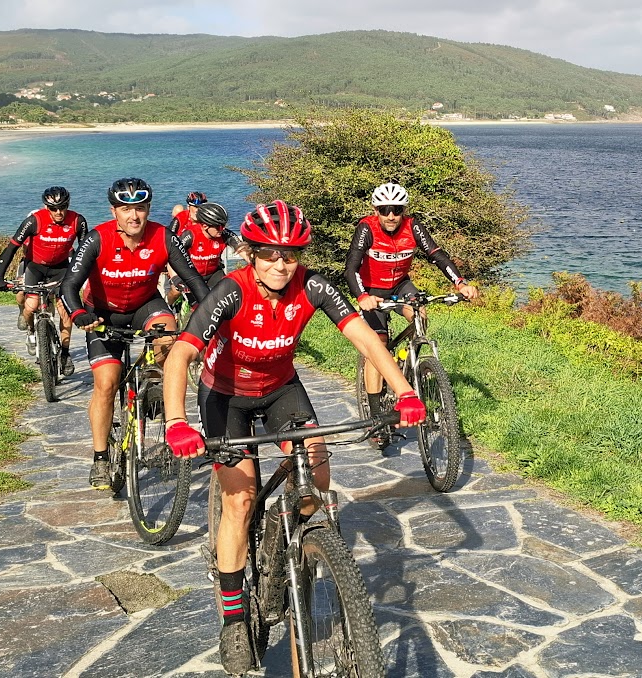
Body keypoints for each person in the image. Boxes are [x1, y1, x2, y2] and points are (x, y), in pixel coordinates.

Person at [159, 200, 424, 675]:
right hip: (225, 398)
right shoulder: (229, 290)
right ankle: (235, 620)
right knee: (239, 502)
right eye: (269, 253)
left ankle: (306, 541)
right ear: (250, 253)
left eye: (291, 254)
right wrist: (176, 421)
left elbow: (366, 339)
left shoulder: (315, 286)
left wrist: (404, 392)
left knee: (316, 468)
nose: (280, 264)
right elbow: (179, 355)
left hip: (281, 388)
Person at [59, 178, 212, 490]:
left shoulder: (163, 236)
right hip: (102, 314)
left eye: (140, 208)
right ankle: (101, 457)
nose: (134, 216)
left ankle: (156, 385)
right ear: (114, 211)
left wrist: (207, 315)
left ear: (148, 209)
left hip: (145, 306)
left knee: (170, 339)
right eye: (126, 209)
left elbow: (194, 279)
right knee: (106, 383)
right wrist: (79, 314)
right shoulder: (97, 238)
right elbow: (69, 285)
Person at [344, 182, 478, 427]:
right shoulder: (367, 228)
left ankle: (409, 363)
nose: (391, 215)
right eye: (385, 210)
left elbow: (437, 255)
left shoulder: (413, 226)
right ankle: (377, 418)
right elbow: (351, 267)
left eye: (397, 209)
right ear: (376, 210)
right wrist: (362, 296)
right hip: (373, 291)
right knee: (378, 346)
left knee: (420, 315)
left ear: (403, 210)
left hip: (400, 285)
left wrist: (460, 283)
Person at [0, 186, 85, 371]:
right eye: (53, 208)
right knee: (31, 306)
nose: (59, 212)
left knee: (65, 311)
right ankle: (32, 331)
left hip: (61, 269)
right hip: (35, 267)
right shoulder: (34, 221)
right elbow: (12, 248)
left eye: (63, 206)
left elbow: (84, 251)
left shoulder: (77, 221)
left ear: (68, 204)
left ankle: (65, 354)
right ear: (45, 207)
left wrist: (84, 277)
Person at [168, 201, 241, 308]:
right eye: (219, 227)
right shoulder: (190, 235)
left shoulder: (224, 234)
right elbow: (171, 257)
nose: (223, 229)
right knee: (176, 292)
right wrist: (175, 278)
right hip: (191, 274)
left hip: (213, 273)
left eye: (224, 225)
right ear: (205, 226)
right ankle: (169, 306)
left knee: (229, 293)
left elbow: (243, 249)